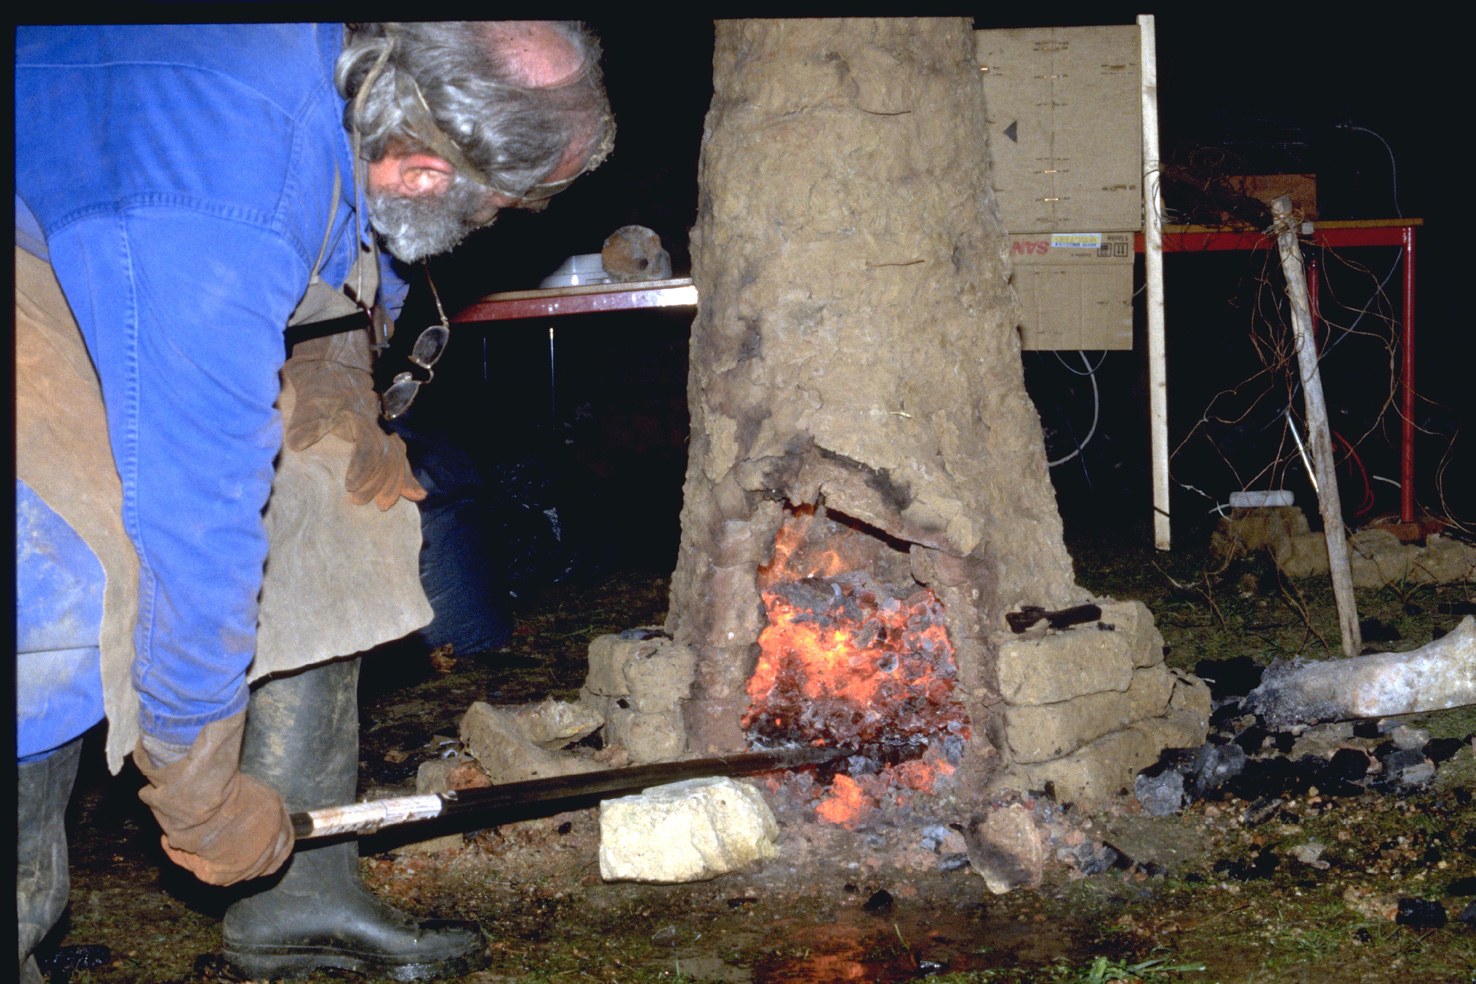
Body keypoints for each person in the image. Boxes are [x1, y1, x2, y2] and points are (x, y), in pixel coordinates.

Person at [15, 22, 613, 982]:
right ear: (421, 171)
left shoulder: (356, 67)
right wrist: (198, 791)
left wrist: (333, 345)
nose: (497, 226)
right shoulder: (212, 199)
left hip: (133, 226)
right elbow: (195, 517)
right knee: (52, 569)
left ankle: (299, 905)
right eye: (499, 208)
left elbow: (322, 197)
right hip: (57, 250)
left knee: (333, 496)